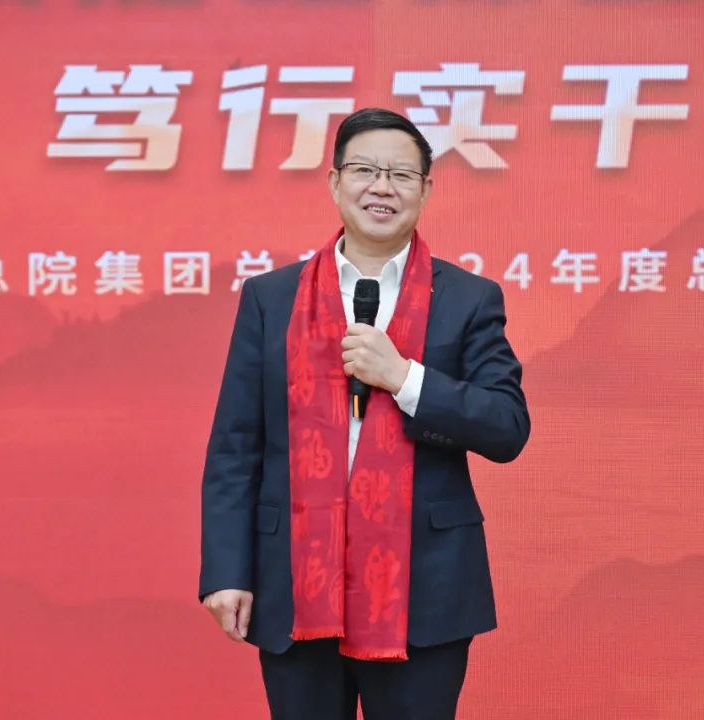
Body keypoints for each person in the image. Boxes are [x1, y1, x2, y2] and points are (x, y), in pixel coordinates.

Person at [199, 107, 530, 720]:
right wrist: (226, 570)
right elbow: (236, 446)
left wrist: (405, 379)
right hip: (294, 582)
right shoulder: (271, 298)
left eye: (401, 175)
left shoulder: (467, 299)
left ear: (425, 190)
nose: (382, 187)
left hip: (423, 592)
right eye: (365, 171)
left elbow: (506, 426)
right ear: (334, 182)